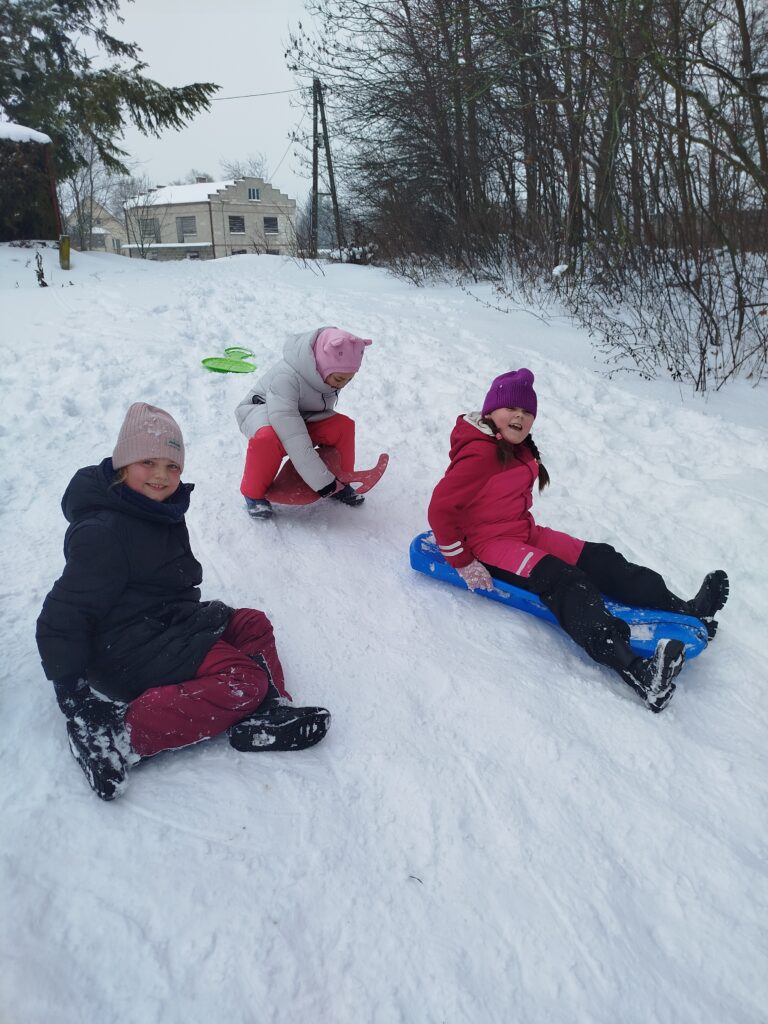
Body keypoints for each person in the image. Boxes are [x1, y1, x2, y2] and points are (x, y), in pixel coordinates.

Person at [36, 403, 331, 802]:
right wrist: (74, 696)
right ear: (123, 462)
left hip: (164, 622)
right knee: (243, 680)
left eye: (172, 466)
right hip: (124, 649)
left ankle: (266, 711)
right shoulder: (104, 532)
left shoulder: (153, 505)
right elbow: (62, 615)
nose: (161, 475)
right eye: (148, 462)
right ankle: (119, 736)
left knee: (252, 622)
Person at [427, 369, 729, 712]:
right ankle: (639, 673)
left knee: (601, 558)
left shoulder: (517, 447)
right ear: (490, 412)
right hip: (486, 545)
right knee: (565, 581)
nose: (519, 416)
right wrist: (462, 560)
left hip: (521, 532)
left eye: (526, 412)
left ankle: (688, 611)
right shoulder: (481, 454)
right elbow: (440, 510)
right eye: (510, 408)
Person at [235, 326, 373, 519]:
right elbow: (293, 435)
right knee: (268, 439)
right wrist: (322, 482)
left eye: (349, 380)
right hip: (264, 411)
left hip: (302, 412)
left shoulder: (325, 372)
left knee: (343, 426)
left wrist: (333, 482)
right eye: (339, 378)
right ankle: (253, 494)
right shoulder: (286, 378)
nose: (342, 384)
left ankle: (341, 480)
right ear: (322, 365)